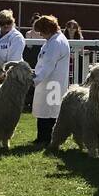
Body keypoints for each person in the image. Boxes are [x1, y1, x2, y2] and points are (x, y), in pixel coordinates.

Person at [31, 15, 70, 146]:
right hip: (46, 82)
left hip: (53, 83)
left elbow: (48, 65)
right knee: (43, 111)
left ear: (48, 29)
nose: (41, 35)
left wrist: (34, 80)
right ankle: (41, 137)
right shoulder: (51, 41)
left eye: (41, 31)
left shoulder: (56, 42)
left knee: (51, 113)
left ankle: (48, 139)